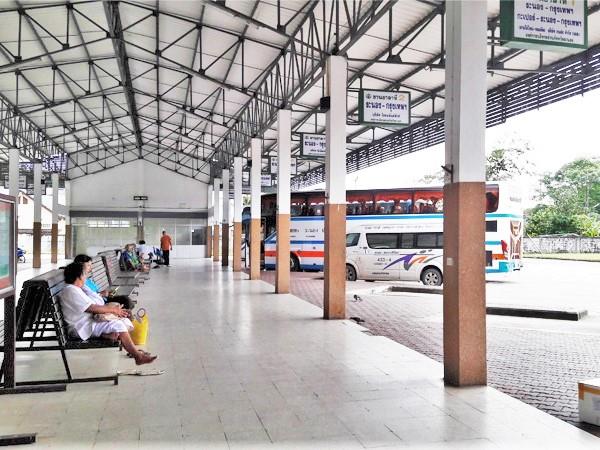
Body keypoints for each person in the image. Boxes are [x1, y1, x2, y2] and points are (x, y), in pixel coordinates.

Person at [60, 262, 156, 365]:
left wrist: (113, 310)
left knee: (124, 320)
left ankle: (125, 345)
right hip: (81, 327)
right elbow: (91, 307)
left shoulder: (76, 289)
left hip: (88, 322)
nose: (85, 277)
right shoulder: (71, 290)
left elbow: (94, 303)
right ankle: (138, 356)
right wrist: (113, 310)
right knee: (117, 324)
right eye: (84, 274)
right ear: (78, 276)